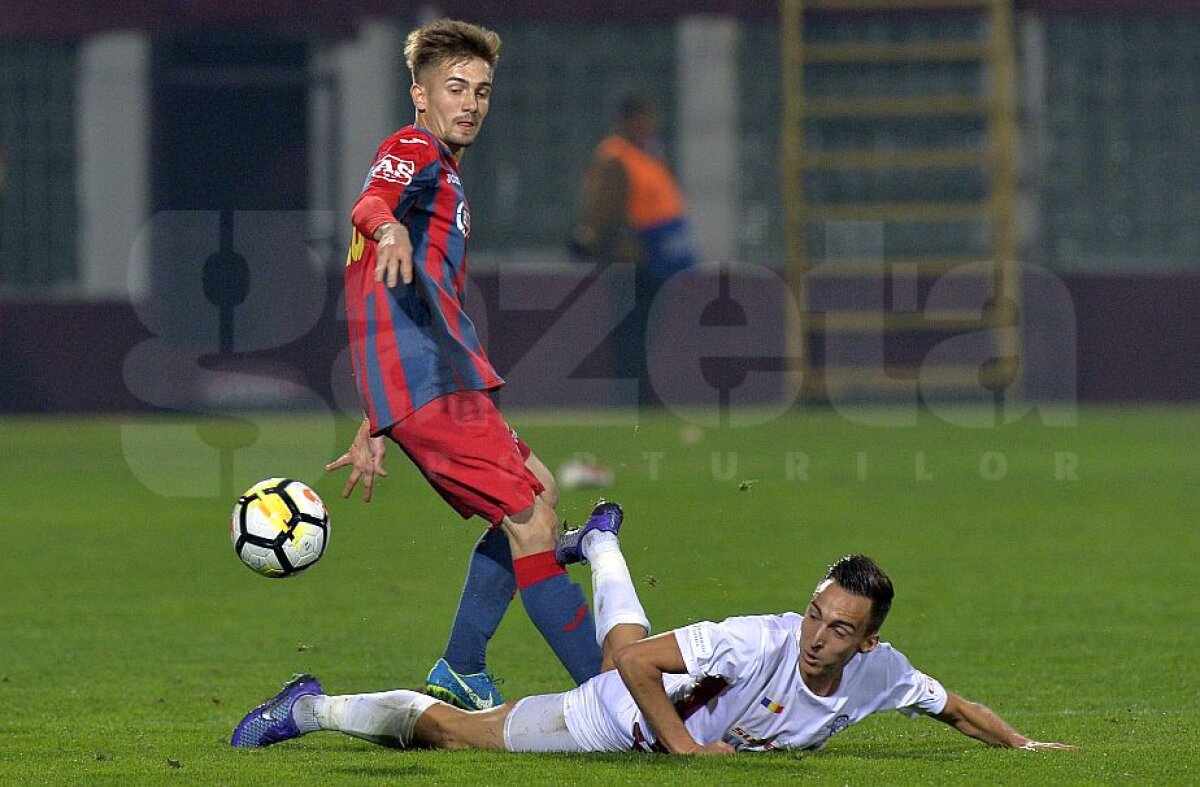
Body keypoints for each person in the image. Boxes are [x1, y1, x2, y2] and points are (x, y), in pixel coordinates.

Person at [232, 515, 1075, 756]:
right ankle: (309, 708)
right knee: (454, 731)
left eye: (837, 628)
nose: (817, 634)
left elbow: (953, 707)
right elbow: (637, 666)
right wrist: (681, 747)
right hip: (620, 718)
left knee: (621, 639)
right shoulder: (759, 641)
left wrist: (1027, 744)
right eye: (815, 613)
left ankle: (600, 541)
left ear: (868, 640)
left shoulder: (880, 673)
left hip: (657, 690)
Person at [325, 18, 602, 712]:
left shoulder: (440, 171)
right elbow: (368, 206)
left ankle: (462, 665)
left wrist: (375, 417)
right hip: (431, 384)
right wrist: (386, 226)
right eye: (455, 87)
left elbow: (384, 299)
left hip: (434, 379)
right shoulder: (411, 147)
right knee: (531, 522)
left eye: (481, 90)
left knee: (539, 491)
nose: (471, 102)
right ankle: (610, 692)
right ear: (419, 94)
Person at [569, 95, 700, 406]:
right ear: (627, 121)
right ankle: (633, 399)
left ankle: (641, 397)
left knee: (643, 330)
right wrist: (589, 239)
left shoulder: (648, 155)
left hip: (654, 259)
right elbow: (603, 208)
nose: (648, 125)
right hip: (630, 259)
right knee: (631, 332)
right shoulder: (616, 158)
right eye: (641, 118)